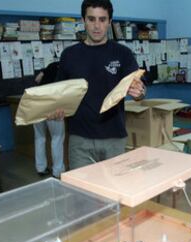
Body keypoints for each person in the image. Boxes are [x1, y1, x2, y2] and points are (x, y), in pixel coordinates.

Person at [54, 0, 146, 169]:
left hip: (114, 139)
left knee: (114, 192)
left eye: (102, 20)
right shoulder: (69, 55)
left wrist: (139, 92)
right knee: (81, 192)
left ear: (109, 22)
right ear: (83, 20)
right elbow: (60, 94)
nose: (97, 26)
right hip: (79, 139)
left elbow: (140, 89)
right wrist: (57, 110)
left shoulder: (122, 53)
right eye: (91, 19)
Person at [33, 61, 65, 178]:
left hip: (36, 101)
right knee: (57, 138)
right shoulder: (66, 68)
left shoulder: (50, 66)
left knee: (39, 137)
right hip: (52, 103)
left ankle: (40, 167)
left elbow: (37, 80)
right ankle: (57, 171)